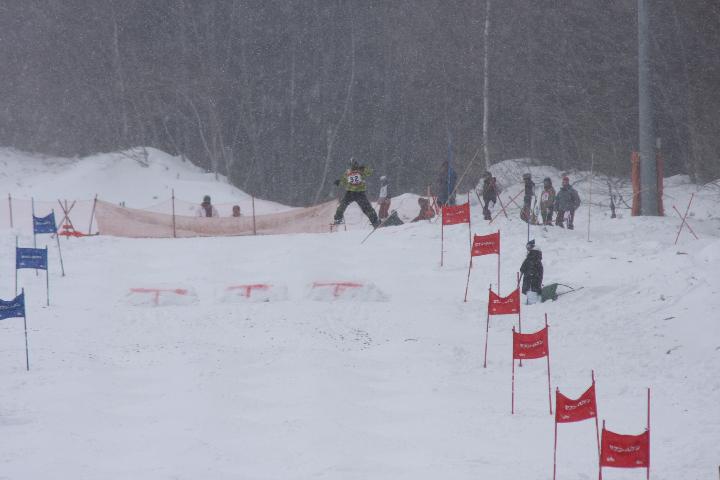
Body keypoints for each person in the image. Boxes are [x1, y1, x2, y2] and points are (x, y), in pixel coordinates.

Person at [333, 158, 380, 227]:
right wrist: (339, 182)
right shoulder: (350, 172)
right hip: (353, 192)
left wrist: (366, 168)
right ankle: (338, 218)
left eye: (355, 164)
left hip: (356, 192)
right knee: (343, 205)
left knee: (365, 207)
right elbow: (344, 180)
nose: (354, 166)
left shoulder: (359, 170)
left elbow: (369, 172)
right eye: (353, 165)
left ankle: (375, 221)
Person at [519, 239, 543, 305]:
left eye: (528, 247)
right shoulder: (535, 258)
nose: (528, 249)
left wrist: (526, 270)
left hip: (530, 285)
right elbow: (523, 268)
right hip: (534, 285)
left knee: (531, 302)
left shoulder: (531, 258)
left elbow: (523, 269)